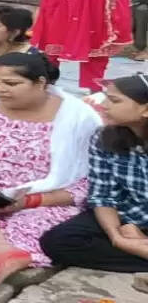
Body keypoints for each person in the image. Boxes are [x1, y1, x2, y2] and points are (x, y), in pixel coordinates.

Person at [0, 52, 101, 286]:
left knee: (39, 225)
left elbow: (89, 179)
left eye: (11, 83)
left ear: (41, 83)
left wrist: (30, 201)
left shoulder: (79, 118)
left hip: (42, 201)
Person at [40, 74, 148, 274]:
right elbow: (102, 195)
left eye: (114, 100)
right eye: (106, 97)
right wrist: (117, 237)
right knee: (58, 241)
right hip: (128, 215)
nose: (105, 105)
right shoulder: (103, 137)